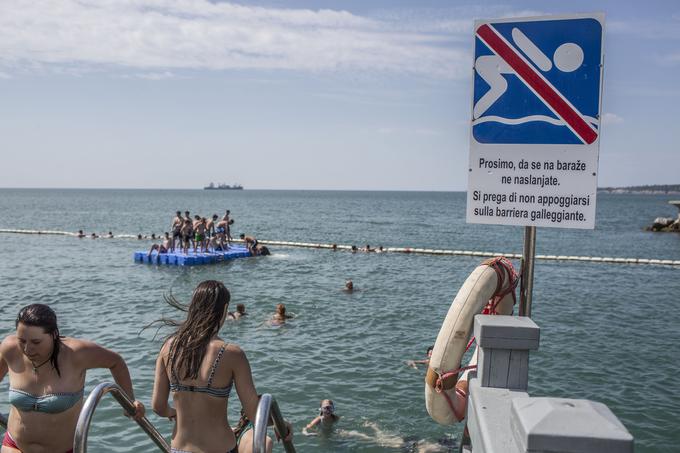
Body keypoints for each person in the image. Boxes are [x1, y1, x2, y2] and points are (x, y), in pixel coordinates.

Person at [151, 280, 292, 453]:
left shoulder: (168, 347)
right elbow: (254, 413)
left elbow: (158, 406)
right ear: (224, 310)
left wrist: (173, 412)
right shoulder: (232, 354)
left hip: (179, 448)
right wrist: (280, 423)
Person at [0, 304, 145, 453]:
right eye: (22, 340)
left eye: (36, 342)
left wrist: (129, 401)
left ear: (54, 334)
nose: (27, 349)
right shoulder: (10, 349)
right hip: (14, 446)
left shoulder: (76, 353)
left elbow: (116, 362)